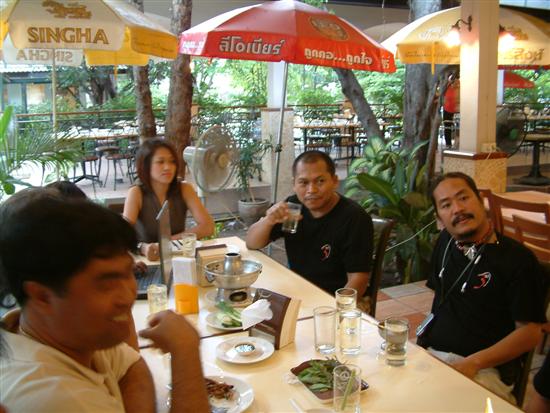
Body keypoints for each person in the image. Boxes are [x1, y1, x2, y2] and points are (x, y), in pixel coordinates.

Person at [0, 188, 210, 413]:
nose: (127, 296)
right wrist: (185, 352)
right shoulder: (57, 399)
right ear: (42, 296)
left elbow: (131, 365)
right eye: (106, 283)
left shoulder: (72, 331)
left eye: (127, 272)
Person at [419, 172, 546, 403]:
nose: (458, 209)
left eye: (463, 198)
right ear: (439, 219)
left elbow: (530, 333)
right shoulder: (446, 242)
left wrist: (473, 363)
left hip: (485, 369)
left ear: (480, 200)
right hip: (432, 357)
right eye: (446, 205)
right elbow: (440, 300)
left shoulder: (518, 260)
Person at [246, 150, 373, 297]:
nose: (311, 190)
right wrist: (269, 220)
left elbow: (358, 278)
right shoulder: (293, 208)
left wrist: (334, 307)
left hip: (336, 297)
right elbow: (252, 243)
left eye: (320, 181)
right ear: (294, 184)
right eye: (303, 182)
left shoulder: (354, 217)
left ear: (335, 181)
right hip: (298, 289)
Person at [123, 138, 214, 261]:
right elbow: (121, 236)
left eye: (172, 162)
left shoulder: (184, 188)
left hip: (178, 258)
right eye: (160, 162)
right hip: (147, 261)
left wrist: (165, 244)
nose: (167, 167)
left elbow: (208, 226)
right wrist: (142, 247)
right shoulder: (136, 192)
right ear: (146, 166)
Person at [442, 76, 459, 148]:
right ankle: (448, 144)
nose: (456, 83)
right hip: (447, 110)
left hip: (456, 111)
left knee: (457, 127)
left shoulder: (459, 89)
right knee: (447, 127)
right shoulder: (447, 87)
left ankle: (457, 142)